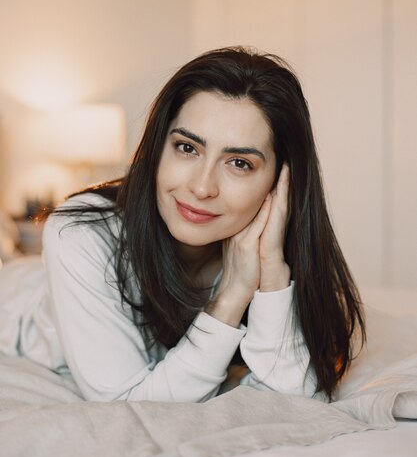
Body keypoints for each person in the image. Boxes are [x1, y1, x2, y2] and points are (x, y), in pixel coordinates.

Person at [0, 47, 365, 403]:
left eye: (239, 163)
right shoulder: (79, 234)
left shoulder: (271, 240)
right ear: (157, 148)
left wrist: (272, 272)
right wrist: (232, 296)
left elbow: (293, 398)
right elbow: (128, 403)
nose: (202, 187)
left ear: (280, 180)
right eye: (187, 148)